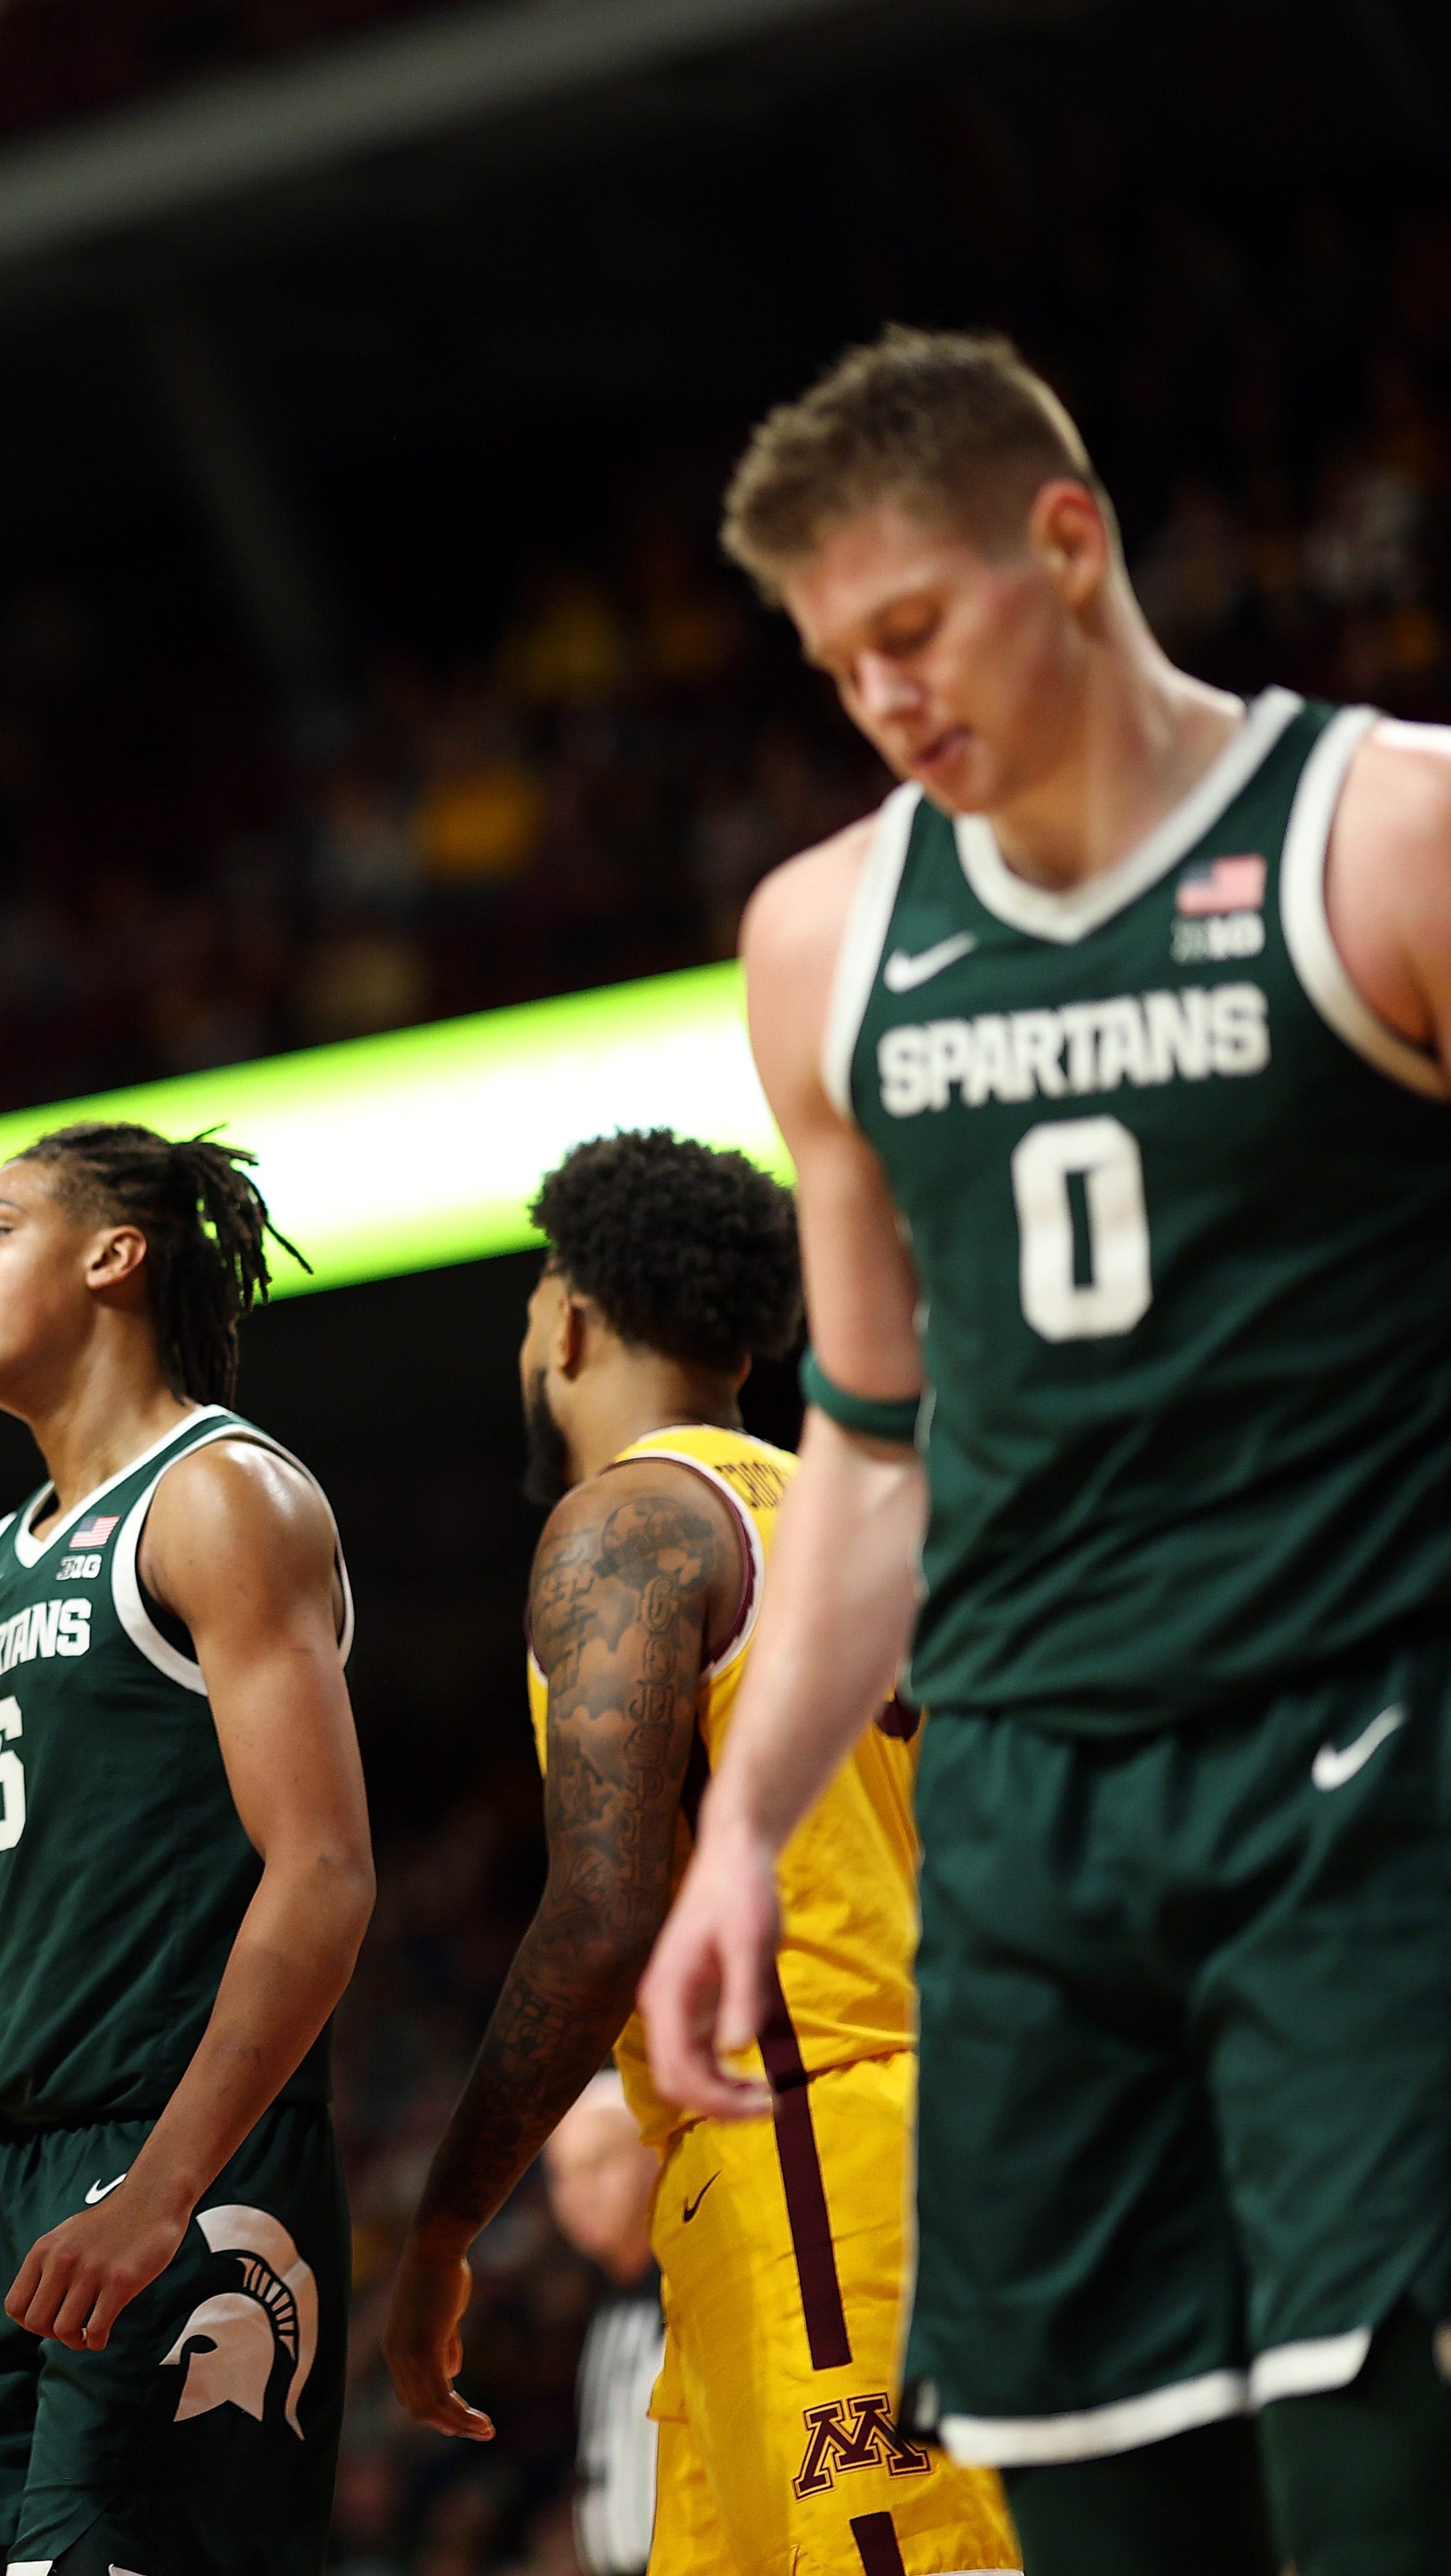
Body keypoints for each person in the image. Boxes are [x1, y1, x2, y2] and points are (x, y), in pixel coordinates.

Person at [637, 326, 1451, 2572]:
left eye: (912, 629)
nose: (882, 698)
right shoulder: (826, 940)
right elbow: (875, 1450)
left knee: (1371, 2460)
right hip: (1026, 1814)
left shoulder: (1391, 833)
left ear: (1066, 546)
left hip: (1355, 1765)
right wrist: (745, 1833)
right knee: (1092, 2498)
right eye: (837, 664)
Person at [380, 1128, 1014, 2575]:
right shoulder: (869, 1519)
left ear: (569, 1317)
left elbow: (603, 1915)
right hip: (892, 2144)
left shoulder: (630, 1522)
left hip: (811, 2147)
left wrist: (440, 2227)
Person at [0, 1126, 369, 2576]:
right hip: (6, 2185)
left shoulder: (221, 1494)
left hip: (184, 2153)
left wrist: (156, 2189)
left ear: (113, 1254)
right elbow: (4, 1960)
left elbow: (325, 1872)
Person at [546, 2076, 667, 2576]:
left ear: (655, 2157)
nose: (578, 2194)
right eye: (562, 2174)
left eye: (599, 2164)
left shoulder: (693, 2293)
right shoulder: (607, 2302)